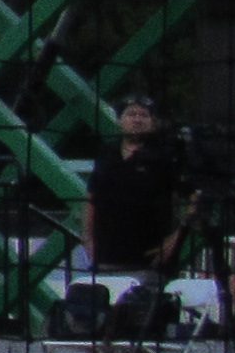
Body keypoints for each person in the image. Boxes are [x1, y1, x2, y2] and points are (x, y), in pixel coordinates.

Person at [82, 92, 201, 324]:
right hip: (107, 258)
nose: (137, 119)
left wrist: (176, 238)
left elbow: (196, 197)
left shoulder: (166, 156)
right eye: (131, 114)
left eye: (143, 115)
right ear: (120, 120)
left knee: (143, 330)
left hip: (147, 261)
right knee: (101, 327)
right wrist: (87, 237)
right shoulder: (107, 154)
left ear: (152, 121)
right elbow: (90, 198)